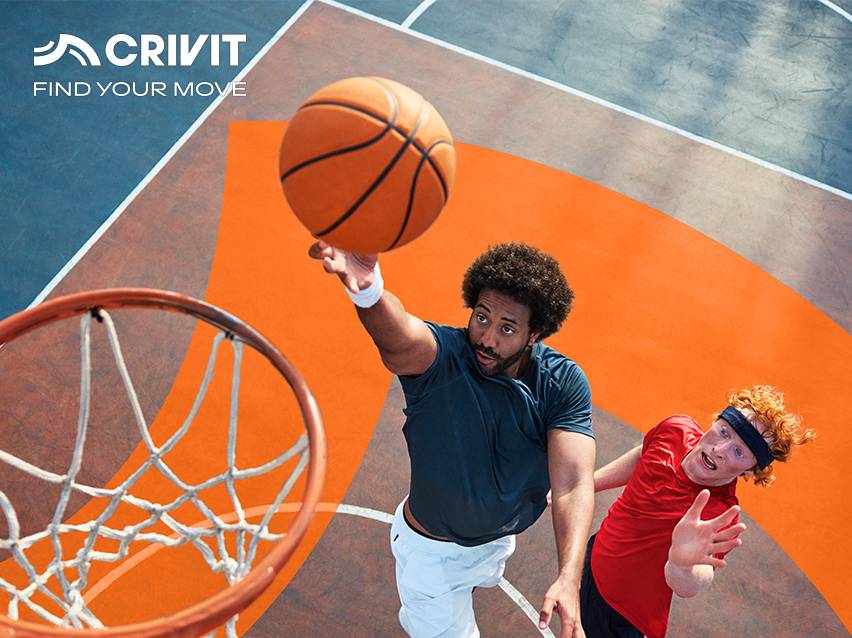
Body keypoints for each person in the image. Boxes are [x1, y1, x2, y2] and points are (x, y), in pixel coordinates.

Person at [309, 240, 596, 638]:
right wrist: (369, 292)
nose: (487, 338)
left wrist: (569, 577)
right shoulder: (442, 358)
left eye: (507, 328)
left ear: (536, 335)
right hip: (432, 556)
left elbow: (573, 481)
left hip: (495, 543)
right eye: (481, 317)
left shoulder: (562, 383)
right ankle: (424, 612)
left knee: (469, 589)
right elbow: (400, 337)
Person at [580, 385, 815, 638]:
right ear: (715, 420)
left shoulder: (718, 513)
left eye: (738, 452)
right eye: (724, 432)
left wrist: (683, 564)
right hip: (596, 557)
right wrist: (586, 484)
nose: (721, 450)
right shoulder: (675, 429)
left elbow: (692, 584)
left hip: (623, 614)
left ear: (750, 471)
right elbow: (644, 455)